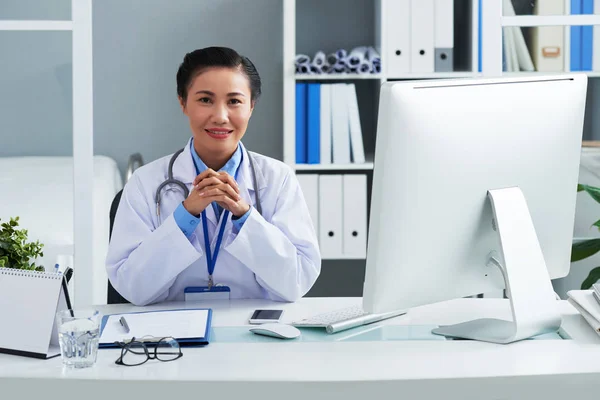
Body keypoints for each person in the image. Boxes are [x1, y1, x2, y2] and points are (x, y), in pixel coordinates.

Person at [106, 46, 321, 306]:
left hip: (255, 333)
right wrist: (186, 214)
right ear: (183, 102)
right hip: (172, 337)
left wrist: (244, 216)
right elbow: (132, 288)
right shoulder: (145, 182)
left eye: (234, 101)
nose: (220, 117)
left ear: (251, 106)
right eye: (205, 100)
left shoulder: (278, 179)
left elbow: (297, 281)